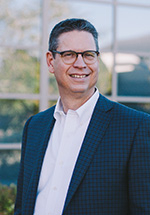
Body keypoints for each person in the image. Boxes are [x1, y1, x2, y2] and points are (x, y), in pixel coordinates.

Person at [14, 18, 150, 215]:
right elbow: (23, 205)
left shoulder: (136, 127)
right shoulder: (34, 126)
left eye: (88, 54)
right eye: (69, 55)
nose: (80, 64)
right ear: (51, 62)